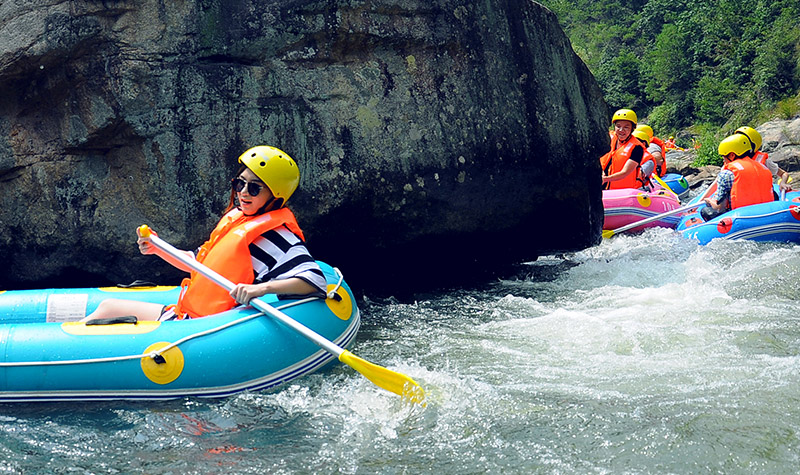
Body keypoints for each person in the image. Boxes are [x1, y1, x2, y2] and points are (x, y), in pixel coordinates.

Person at [82, 145, 327, 322]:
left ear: (275, 197)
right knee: (107, 307)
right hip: (185, 316)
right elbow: (196, 263)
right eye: (240, 183)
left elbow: (315, 280)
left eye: (254, 188)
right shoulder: (236, 221)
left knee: (107, 311)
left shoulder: (278, 237)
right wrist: (157, 248)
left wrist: (259, 289)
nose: (243, 193)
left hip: (203, 328)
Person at [701, 134, 774, 221]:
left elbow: (719, 207)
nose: (723, 160)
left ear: (732, 155)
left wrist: (709, 201)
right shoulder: (763, 168)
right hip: (769, 214)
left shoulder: (727, 174)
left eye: (724, 156)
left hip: (742, 218)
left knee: (705, 211)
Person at [734, 126, 791, 193]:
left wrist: (783, 183)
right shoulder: (732, 159)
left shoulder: (763, 161)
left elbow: (784, 174)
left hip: (764, 197)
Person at [600, 109, 646, 190]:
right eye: (618, 126)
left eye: (626, 127)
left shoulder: (637, 148)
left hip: (622, 192)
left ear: (632, 128)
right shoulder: (608, 138)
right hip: (602, 187)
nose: (621, 130)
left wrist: (605, 179)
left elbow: (625, 172)